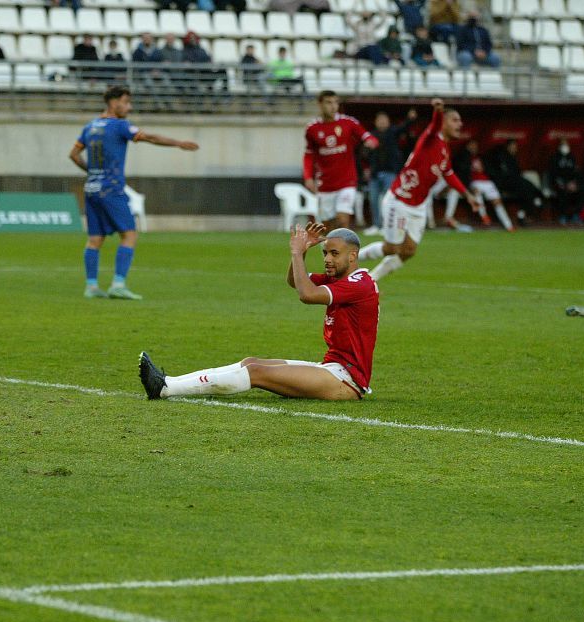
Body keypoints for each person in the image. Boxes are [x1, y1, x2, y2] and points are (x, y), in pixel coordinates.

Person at [139, 225, 378, 401]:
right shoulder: (341, 277)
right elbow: (295, 282)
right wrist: (302, 252)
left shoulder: (360, 283)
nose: (327, 259)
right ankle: (168, 381)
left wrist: (296, 253)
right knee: (250, 362)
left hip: (347, 380)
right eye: (325, 253)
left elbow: (307, 295)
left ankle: (166, 389)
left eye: (334, 254)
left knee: (255, 372)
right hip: (331, 367)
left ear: (353, 255)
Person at [69, 85, 198, 300]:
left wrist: (92, 172)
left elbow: (73, 154)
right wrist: (178, 143)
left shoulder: (90, 127)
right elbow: (150, 137)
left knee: (95, 240)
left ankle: (91, 287)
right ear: (114, 102)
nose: (129, 107)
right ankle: (118, 284)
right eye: (126, 102)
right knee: (129, 235)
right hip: (111, 188)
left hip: (92, 188)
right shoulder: (119, 126)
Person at [356, 99, 480, 281]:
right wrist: (438, 111)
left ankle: (370, 280)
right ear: (443, 122)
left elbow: (449, 173)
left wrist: (467, 195)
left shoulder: (444, 149)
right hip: (399, 201)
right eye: (455, 120)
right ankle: (349, 257)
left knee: (408, 250)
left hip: (418, 206)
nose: (459, 124)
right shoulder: (430, 139)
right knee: (392, 248)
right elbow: (434, 126)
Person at [303, 90, 379, 230]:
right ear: (320, 104)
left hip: (347, 182)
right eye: (329, 102)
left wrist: (371, 141)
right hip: (325, 185)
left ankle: (342, 250)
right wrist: (308, 177)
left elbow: (366, 135)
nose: (333, 106)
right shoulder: (312, 129)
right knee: (327, 228)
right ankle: (332, 251)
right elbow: (309, 155)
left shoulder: (348, 122)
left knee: (342, 221)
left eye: (336, 102)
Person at [444, 139, 514, 231]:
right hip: (474, 183)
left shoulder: (482, 157)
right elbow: (460, 172)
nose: (474, 147)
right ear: (467, 146)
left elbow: (492, 170)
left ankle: (508, 225)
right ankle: (484, 217)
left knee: (497, 201)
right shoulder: (463, 157)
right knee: (477, 193)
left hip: (488, 182)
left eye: (475, 145)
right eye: (472, 145)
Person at [366, 110, 414, 231]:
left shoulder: (393, 132)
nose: (382, 122)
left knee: (388, 200)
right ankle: (376, 225)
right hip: (375, 174)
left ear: (388, 122)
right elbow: (365, 154)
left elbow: (404, 127)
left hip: (390, 173)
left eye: (384, 120)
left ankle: (387, 225)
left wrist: (411, 119)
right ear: (375, 122)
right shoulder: (371, 136)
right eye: (379, 120)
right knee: (373, 200)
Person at [487, 139, 543, 226]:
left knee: (526, 189)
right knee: (525, 188)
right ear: (508, 147)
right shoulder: (501, 157)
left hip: (517, 185)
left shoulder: (514, 158)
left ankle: (533, 201)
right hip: (506, 184)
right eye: (513, 146)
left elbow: (518, 173)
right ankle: (536, 199)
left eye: (515, 147)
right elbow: (505, 175)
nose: (514, 148)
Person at [547, 139, 584, 225]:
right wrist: (563, 184)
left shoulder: (572, 157)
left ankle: (575, 214)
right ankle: (563, 216)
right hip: (560, 184)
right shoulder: (554, 157)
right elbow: (553, 174)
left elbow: (576, 172)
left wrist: (574, 183)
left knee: (583, 192)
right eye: (563, 144)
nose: (565, 146)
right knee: (562, 193)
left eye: (566, 144)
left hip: (571, 184)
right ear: (559, 146)